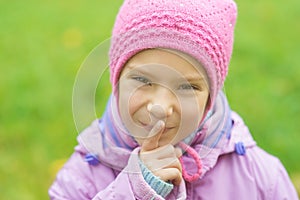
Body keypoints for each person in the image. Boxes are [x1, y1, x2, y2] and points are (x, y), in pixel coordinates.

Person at [49, 0, 298, 199]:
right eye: (143, 81)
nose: (161, 107)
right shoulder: (80, 180)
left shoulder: (261, 180)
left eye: (187, 87)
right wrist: (132, 194)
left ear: (211, 95)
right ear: (116, 79)